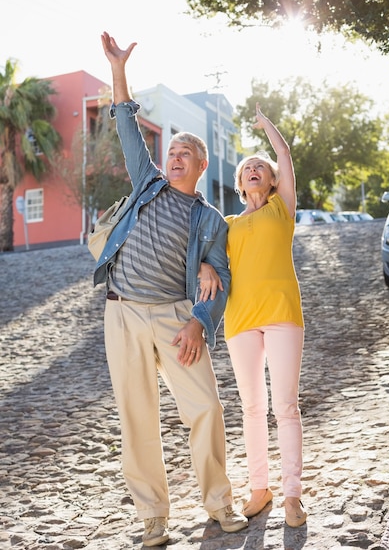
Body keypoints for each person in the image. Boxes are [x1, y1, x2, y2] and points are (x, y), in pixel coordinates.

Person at [94, 32, 248, 547]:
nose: (176, 156)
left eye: (186, 153)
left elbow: (218, 279)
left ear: (202, 167)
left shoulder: (210, 220)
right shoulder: (147, 182)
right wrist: (118, 69)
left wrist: (199, 323)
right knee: (136, 414)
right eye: (173, 150)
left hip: (176, 316)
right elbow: (125, 124)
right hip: (122, 313)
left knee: (205, 406)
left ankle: (219, 503)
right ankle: (153, 516)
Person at [224, 103, 307, 528]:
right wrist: (204, 265)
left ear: (273, 180)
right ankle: (260, 488)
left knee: (286, 407)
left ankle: (292, 494)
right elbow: (209, 263)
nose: (254, 169)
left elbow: (286, 154)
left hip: (282, 316)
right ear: (240, 183)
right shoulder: (228, 225)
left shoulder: (283, 210)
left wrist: (266, 127)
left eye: (261, 166)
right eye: (247, 168)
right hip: (239, 321)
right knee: (253, 408)